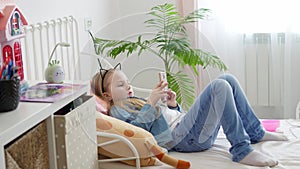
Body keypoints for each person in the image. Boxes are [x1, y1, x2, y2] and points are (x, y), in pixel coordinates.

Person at [90, 61, 288, 167]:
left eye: (127, 82)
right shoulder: (116, 111)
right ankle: (242, 150)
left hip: (186, 129)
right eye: (121, 85)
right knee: (219, 86)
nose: (128, 86)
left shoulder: (134, 102)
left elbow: (168, 118)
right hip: (183, 140)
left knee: (227, 79)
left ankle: (255, 132)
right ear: (107, 95)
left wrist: (173, 105)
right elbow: (141, 135)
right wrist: (150, 102)